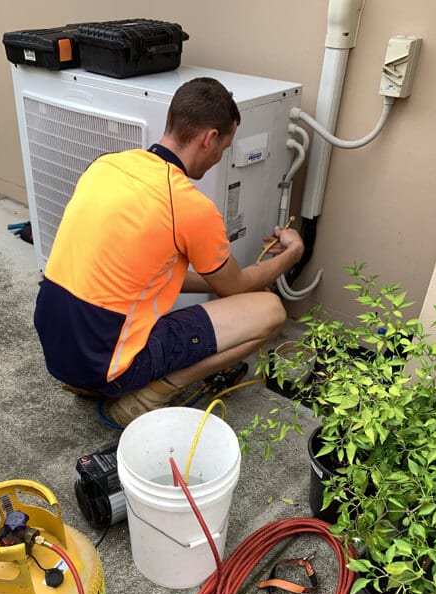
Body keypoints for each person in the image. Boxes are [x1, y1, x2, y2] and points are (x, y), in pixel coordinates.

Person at [34, 76, 304, 427]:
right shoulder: (189, 205)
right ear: (209, 139)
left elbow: (145, 277)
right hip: (107, 365)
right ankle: (146, 396)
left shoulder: (106, 166)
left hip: (58, 349)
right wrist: (291, 255)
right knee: (269, 309)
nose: (220, 157)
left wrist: (213, 280)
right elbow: (234, 287)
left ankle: (89, 382)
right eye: (224, 147)